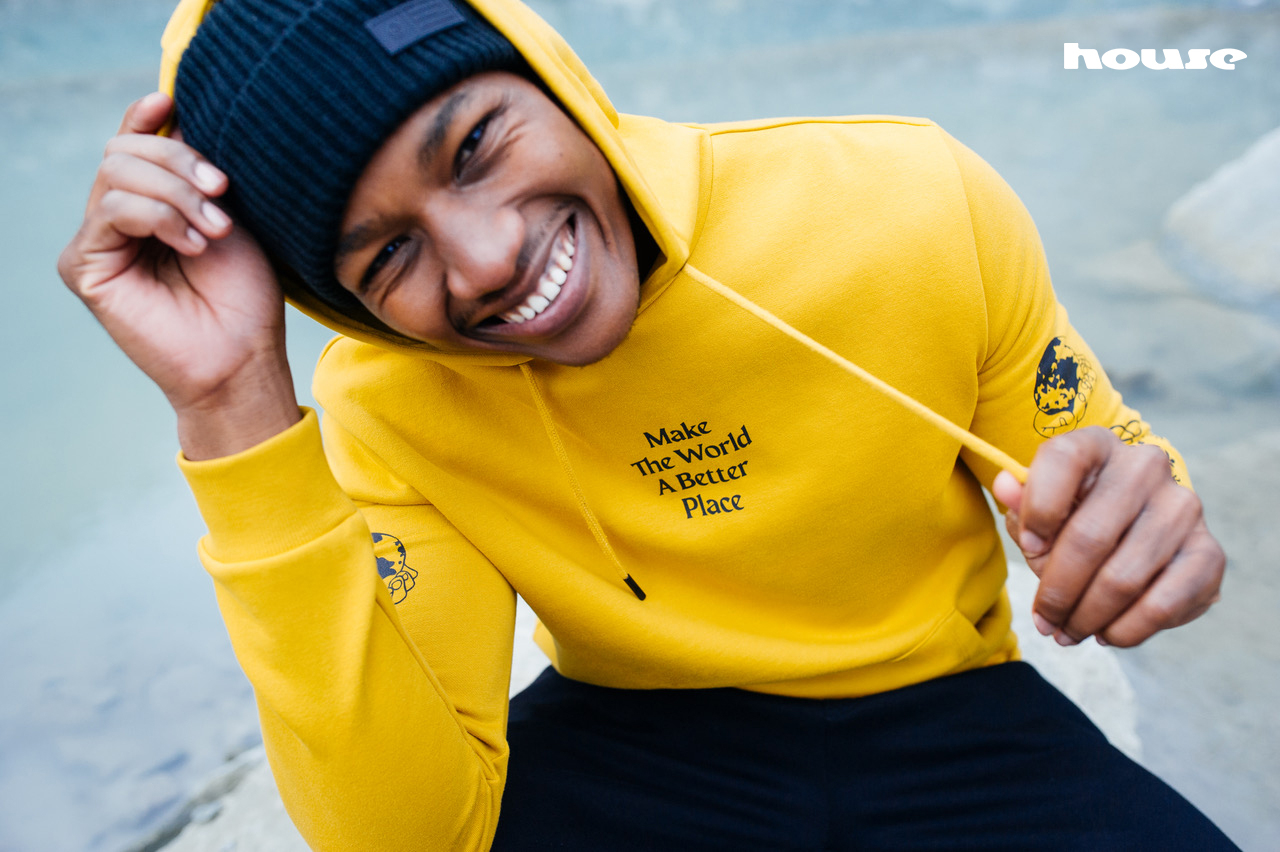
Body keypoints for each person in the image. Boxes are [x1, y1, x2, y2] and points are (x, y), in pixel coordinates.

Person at [57, 0, 1234, 848]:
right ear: (342, 305)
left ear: (549, 72)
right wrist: (228, 401)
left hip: (953, 715)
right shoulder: (386, 403)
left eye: (474, 146)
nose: (486, 258)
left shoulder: (904, 202)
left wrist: (1149, 519)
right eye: (388, 256)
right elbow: (405, 835)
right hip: (628, 742)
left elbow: (1114, 473)